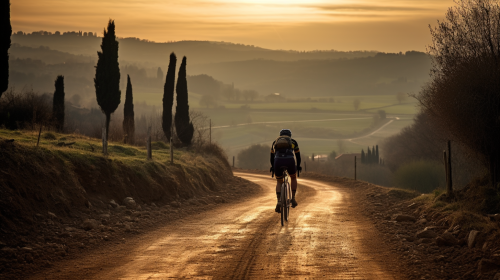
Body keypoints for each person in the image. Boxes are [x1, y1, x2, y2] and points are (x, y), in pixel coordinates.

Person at [270, 129, 302, 213]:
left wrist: (273, 167)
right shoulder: (293, 142)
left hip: (278, 161)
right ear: (290, 136)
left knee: (279, 181)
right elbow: (298, 156)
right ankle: (293, 198)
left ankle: (279, 201)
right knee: (293, 177)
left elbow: (271, 157)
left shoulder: (275, 142)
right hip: (290, 161)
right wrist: (298, 166)